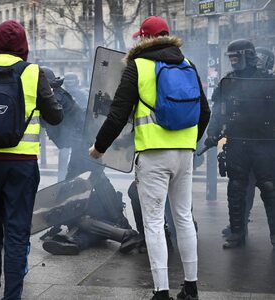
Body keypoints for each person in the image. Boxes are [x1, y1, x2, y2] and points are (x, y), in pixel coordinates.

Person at [89, 16, 210, 300]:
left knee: (154, 222)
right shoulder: (187, 64)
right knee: (182, 218)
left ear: (145, 38)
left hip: (153, 157)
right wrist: (189, 142)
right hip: (184, 154)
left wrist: (99, 147)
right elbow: (205, 112)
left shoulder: (138, 66)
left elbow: (118, 114)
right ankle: (191, 287)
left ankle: (161, 292)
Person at [0, 20, 63, 300]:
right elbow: (55, 117)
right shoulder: (32, 72)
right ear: (23, 46)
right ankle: (13, 296)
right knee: (17, 233)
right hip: (21, 164)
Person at [39, 66, 138, 255]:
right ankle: (116, 226)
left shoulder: (56, 97)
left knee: (77, 185)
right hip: (82, 145)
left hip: (83, 146)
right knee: (92, 181)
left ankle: (121, 227)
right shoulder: (56, 95)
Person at [205, 40, 275, 249]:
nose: (233, 62)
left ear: (248, 56)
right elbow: (218, 111)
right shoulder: (229, 82)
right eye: (231, 58)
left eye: (236, 57)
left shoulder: (270, 81)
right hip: (237, 144)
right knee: (236, 188)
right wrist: (212, 133)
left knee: (270, 188)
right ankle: (237, 233)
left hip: (265, 144)